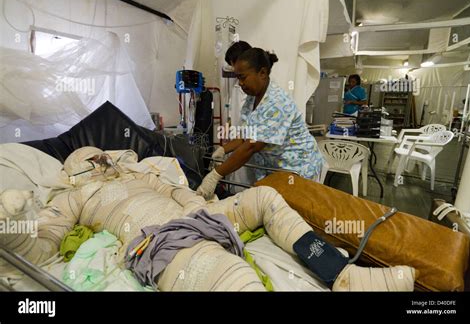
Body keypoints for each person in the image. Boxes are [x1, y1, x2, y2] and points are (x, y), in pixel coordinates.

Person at [0, 146, 416, 291]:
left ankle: (342, 275)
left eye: (104, 156)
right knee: (213, 267)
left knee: (266, 196)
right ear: (75, 170)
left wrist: (204, 194)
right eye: (93, 159)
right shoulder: (73, 197)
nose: (103, 161)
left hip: (194, 214)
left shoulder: (138, 171)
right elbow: (42, 250)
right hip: (158, 236)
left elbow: (175, 191)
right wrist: (11, 231)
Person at [197, 47, 325, 200]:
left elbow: (250, 146)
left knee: (292, 215)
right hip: (275, 169)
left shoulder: (276, 103)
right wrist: (223, 150)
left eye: (243, 77)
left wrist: (216, 175)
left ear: (262, 73)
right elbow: (247, 134)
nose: (241, 83)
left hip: (298, 168)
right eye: (238, 78)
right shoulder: (253, 98)